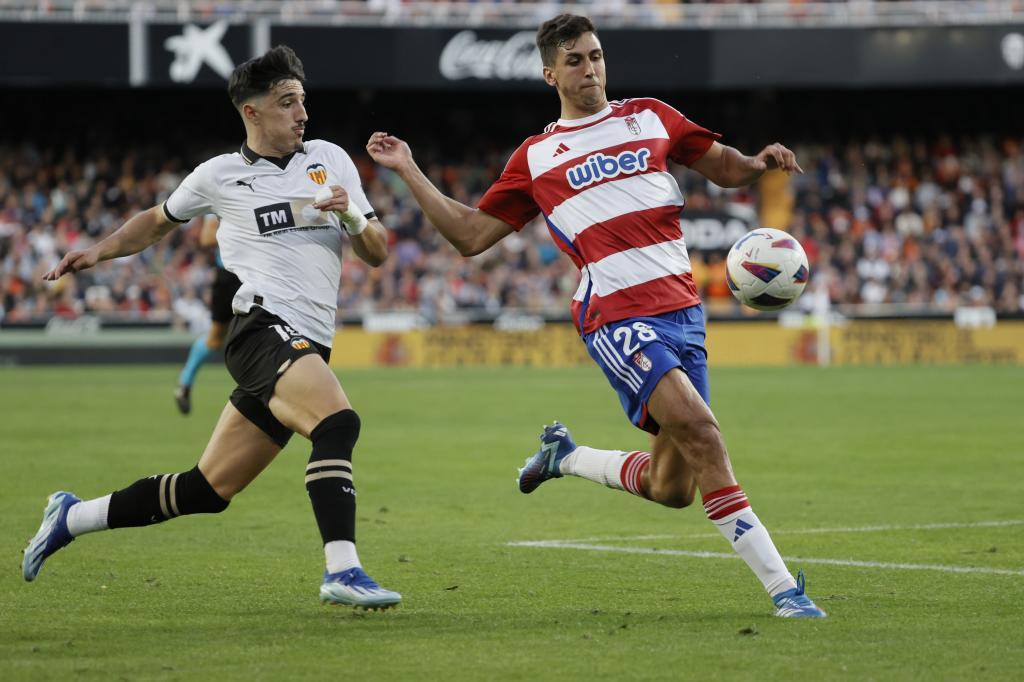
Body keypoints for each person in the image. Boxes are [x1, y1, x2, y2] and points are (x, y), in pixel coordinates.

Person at [367, 14, 825, 617]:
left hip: (683, 313)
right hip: (616, 316)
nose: (591, 69)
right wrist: (409, 170)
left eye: (597, 55)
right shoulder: (537, 157)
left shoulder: (652, 117)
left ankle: (566, 456)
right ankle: (784, 590)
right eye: (577, 60)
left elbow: (725, 167)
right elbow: (471, 235)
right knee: (703, 433)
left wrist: (760, 162)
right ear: (550, 72)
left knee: (673, 486)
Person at [25, 45, 401, 610]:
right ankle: (342, 570)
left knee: (207, 489)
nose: (301, 113)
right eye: (286, 102)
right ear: (251, 112)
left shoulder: (330, 158)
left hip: (308, 344)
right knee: (337, 422)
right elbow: (155, 222)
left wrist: (350, 214)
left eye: (303, 100)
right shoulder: (218, 176)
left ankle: (71, 516)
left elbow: (377, 252)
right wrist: (97, 252)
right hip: (260, 328)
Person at [174, 215, 241, 415]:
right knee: (215, 340)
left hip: (258, 275)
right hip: (230, 278)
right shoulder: (222, 195)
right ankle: (185, 382)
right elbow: (207, 238)